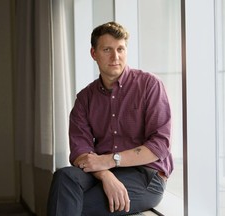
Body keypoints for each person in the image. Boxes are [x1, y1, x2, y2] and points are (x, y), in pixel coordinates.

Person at [47, 21, 173, 216]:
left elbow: (159, 145)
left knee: (73, 206)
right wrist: (105, 173)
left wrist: (110, 161)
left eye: (120, 49)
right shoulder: (85, 98)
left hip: (146, 175)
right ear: (93, 53)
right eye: (107, 49)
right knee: (64, 176)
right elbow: (80, 150)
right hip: (102, 170)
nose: (116, 57)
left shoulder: (149, 85)